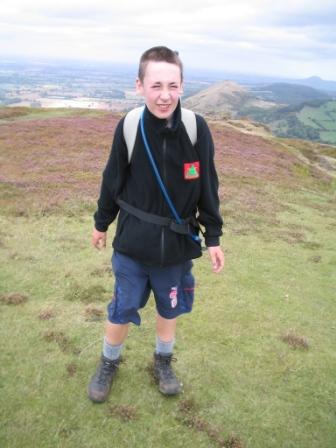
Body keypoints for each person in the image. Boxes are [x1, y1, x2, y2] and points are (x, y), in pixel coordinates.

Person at [88, 46, 224, 403]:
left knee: (170, 307)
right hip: (133, 245)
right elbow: (112, 179)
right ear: (140, 85)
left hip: (177, 249)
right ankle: (108, 363)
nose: (165, 95)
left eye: (173, 85)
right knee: (123, 306)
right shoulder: (130, 127)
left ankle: (163, 361)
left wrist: (213, 237)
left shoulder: (196, 129)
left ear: (182, 85)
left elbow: (208, 185)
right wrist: (101, 223)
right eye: (156, 85)